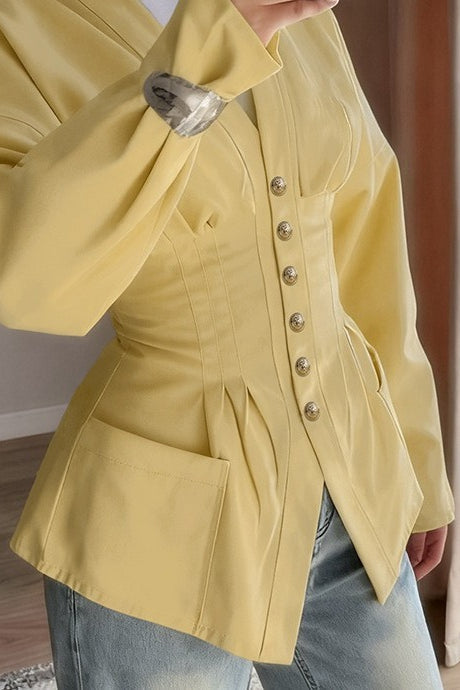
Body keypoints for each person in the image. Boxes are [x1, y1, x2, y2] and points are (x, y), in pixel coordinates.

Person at [1, 0, 455, 687]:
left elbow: (367, 241)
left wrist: (419, 456)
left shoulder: (302, 12)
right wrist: (207, 49)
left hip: (352, 485)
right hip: (159, 538)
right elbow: (27, 280)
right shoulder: (20, 26)